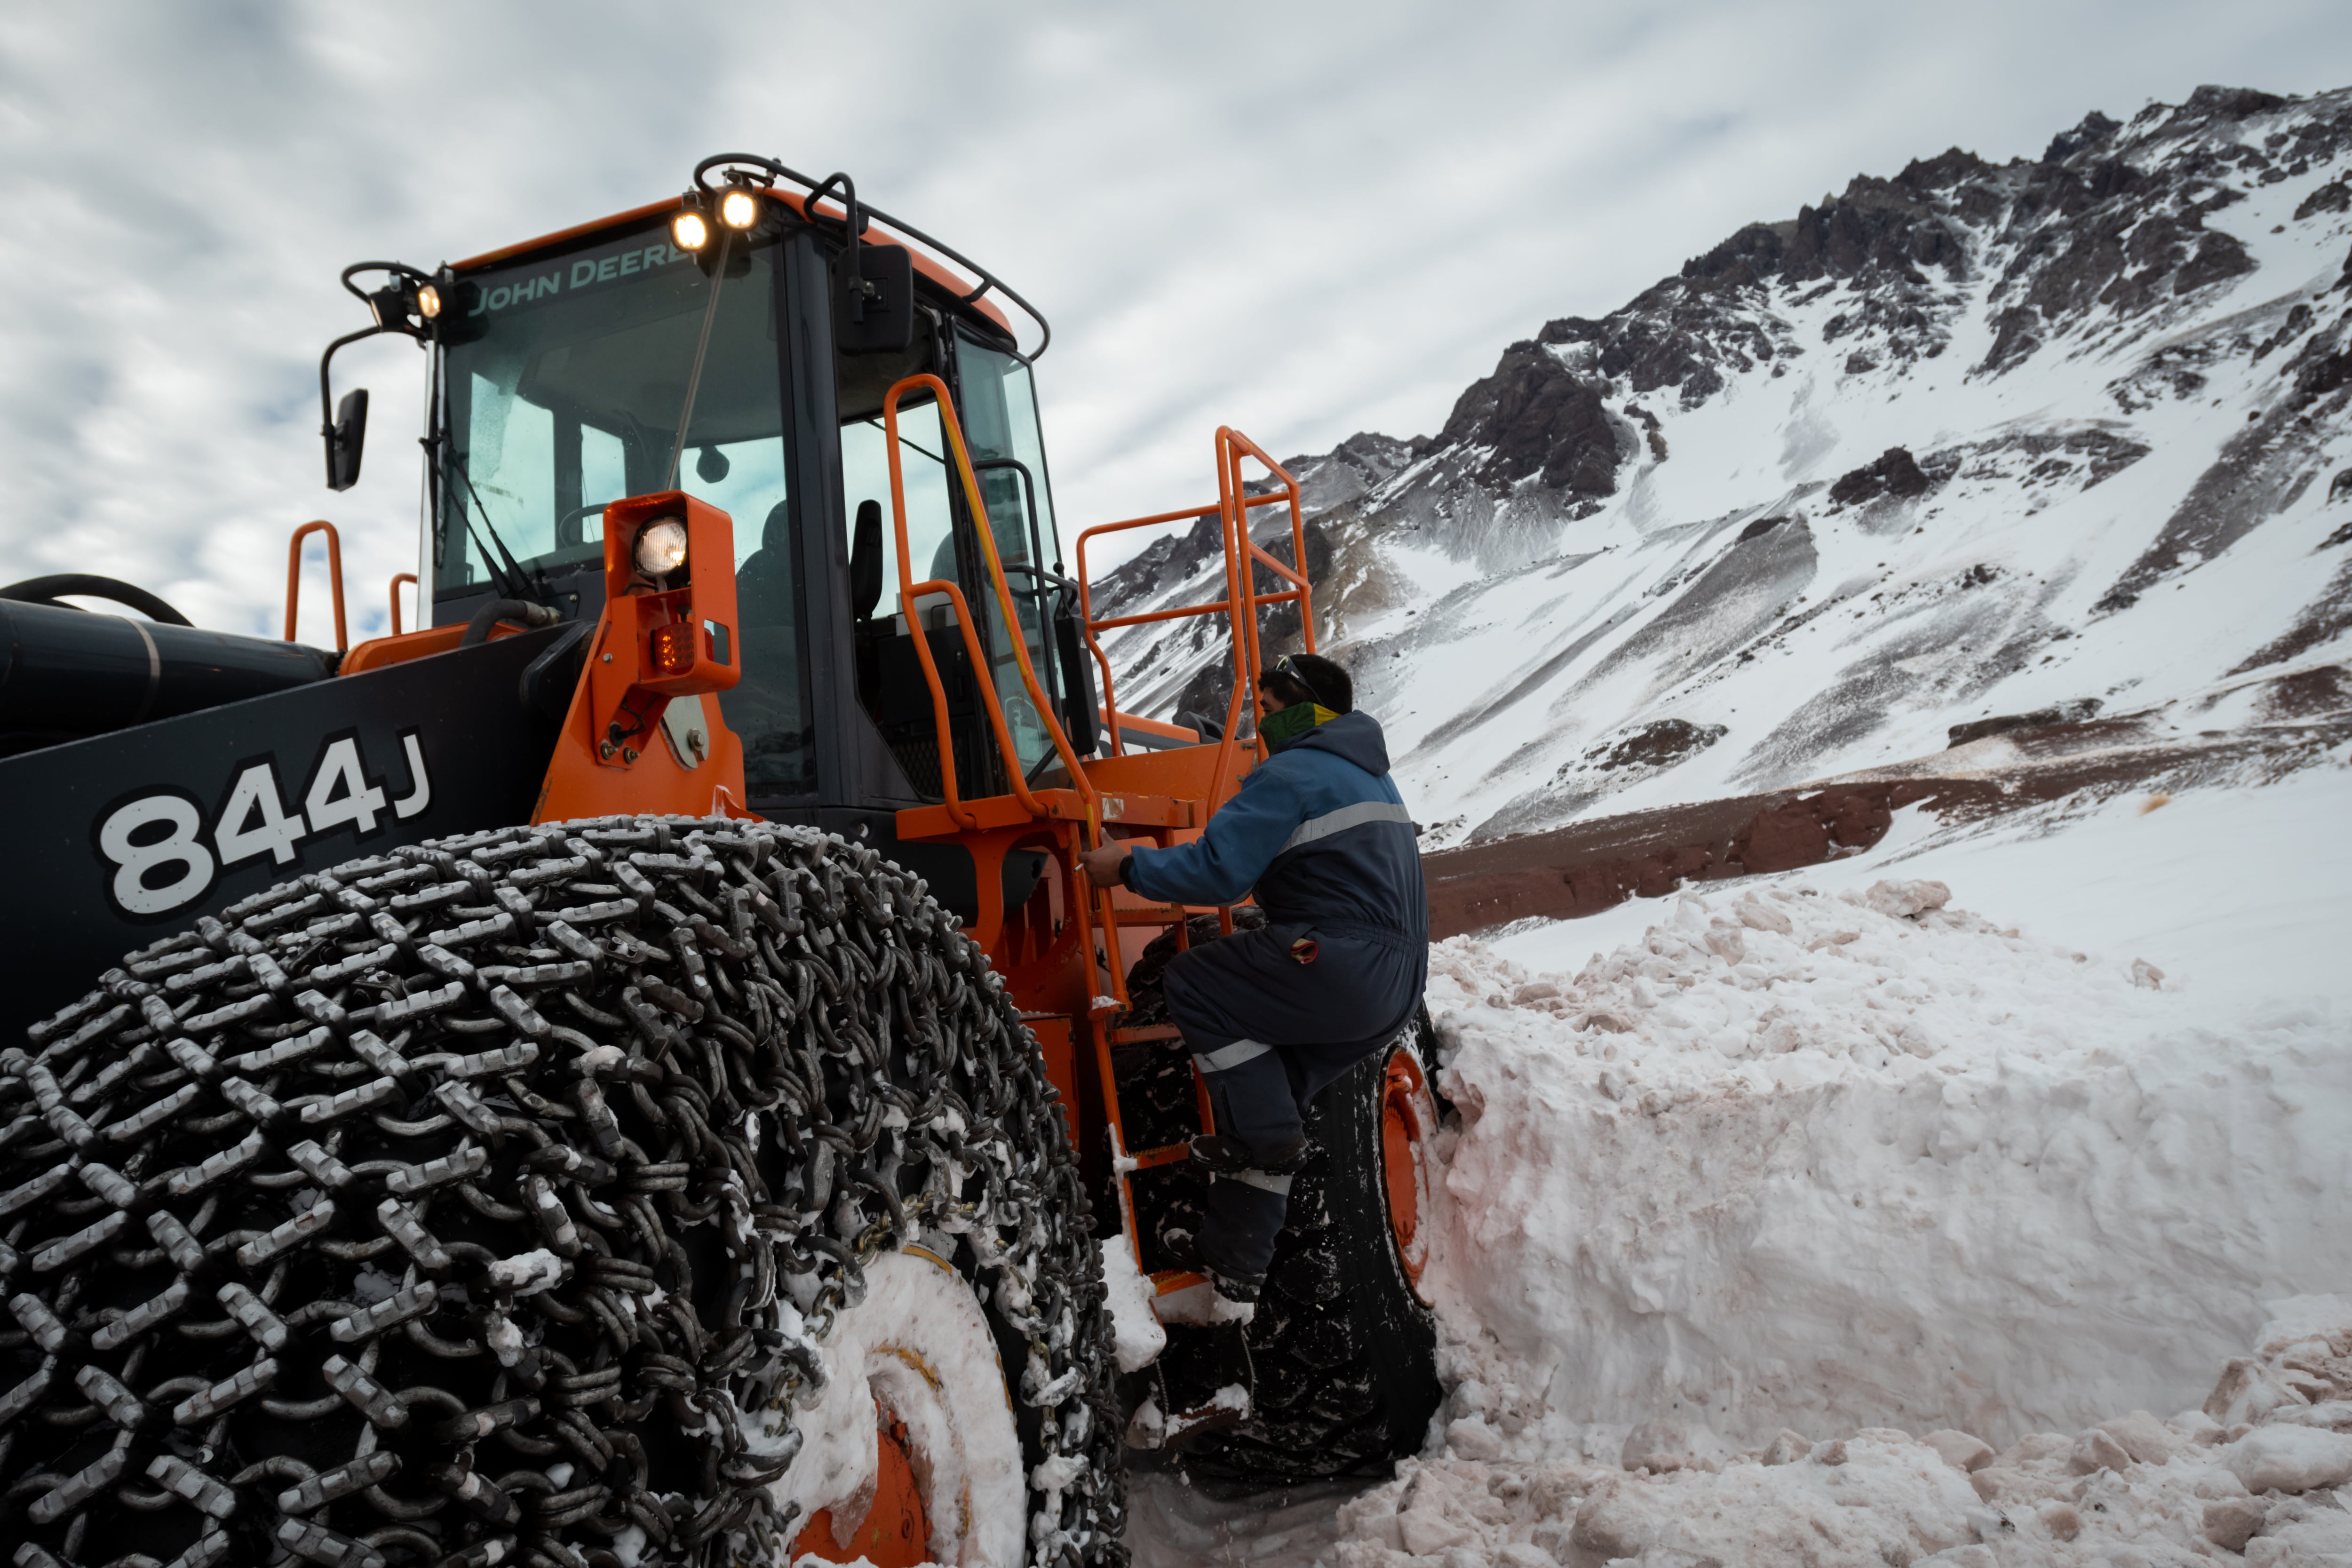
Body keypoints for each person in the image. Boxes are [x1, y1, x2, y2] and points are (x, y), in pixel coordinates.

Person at [1079, 653, 1426, 1302]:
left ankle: (1265, 1139)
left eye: (1265, 707)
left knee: (1195, 982)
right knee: (1275, 1093)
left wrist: (1127, 866)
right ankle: (1237, 1259)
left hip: (1339, 962)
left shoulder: (1292, 772)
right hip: (1397, 983)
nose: (1257, 722)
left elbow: (1219, 872)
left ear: (1301, 708)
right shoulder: (1374, 778)